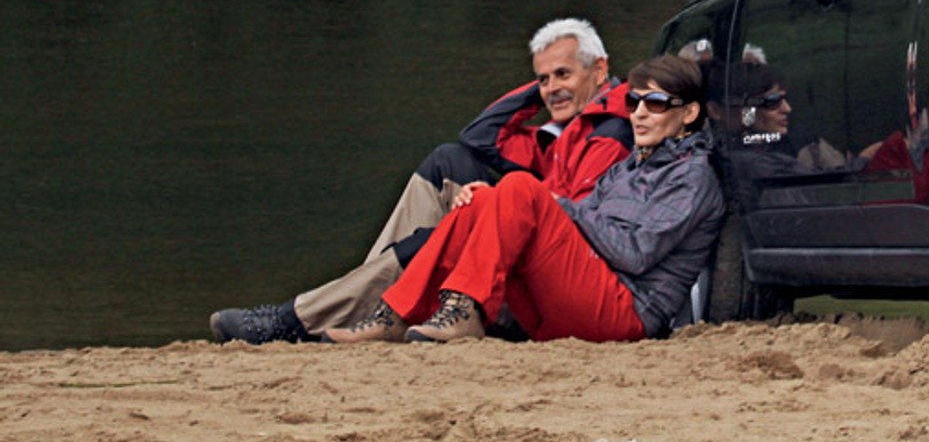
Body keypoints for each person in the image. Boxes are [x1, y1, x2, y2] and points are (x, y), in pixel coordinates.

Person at [208, 18, 630, 344]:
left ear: (600, 70)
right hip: (538, 240)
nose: (551, 89)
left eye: (563, 74)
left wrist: (496, 203)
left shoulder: (609, 133)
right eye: (543, 78)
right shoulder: (562, 134)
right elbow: (479, 136)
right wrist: (544, 91)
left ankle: (299, 320)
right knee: (450, 161)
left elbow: (582, 222)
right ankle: (367, 305)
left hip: (560, 276)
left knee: (438, 237)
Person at [327, 53, 725, 344]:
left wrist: (550, 202)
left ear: (688, 113)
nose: (638, 114)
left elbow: (636, 253)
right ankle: (394, 313)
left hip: (626, 315)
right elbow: (582, 219)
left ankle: (463, 310)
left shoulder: (692, 176)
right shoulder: (631, 166)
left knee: (522, 187)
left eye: (654, 104)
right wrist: (501, 206)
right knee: (486, 199)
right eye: (633, 101)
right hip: (579, 298)